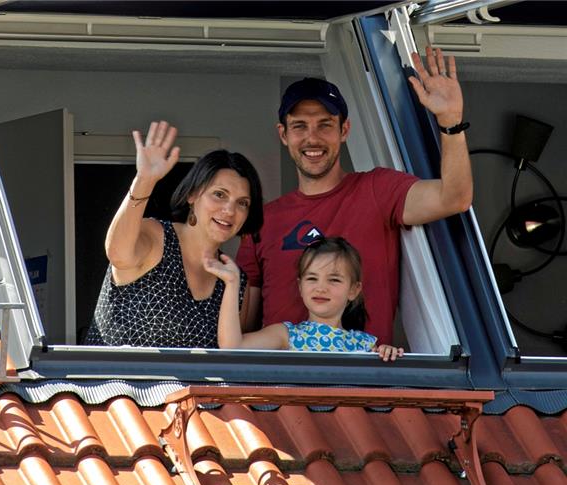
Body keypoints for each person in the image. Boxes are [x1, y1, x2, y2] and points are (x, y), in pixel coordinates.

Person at [237, 47, 473, 345]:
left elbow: (454, 197)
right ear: (283, 135)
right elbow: (241, 331)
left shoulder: (377, 190)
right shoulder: (261, 220)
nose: (312, 138)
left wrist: (451, 122)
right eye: (300, 126)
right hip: (283, 384)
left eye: (325, 125)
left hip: (362, 382)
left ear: (344, 130)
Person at [85, 121, 263, 348]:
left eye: (242, 203)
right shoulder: (156, 235)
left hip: (188, 386)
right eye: (219, 194)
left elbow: (233, 360)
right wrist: (145, 180)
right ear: (192, 195)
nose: (229, 210)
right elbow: (117, 254)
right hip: (111, 382)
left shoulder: (235, 282)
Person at [206, 237, 403, 361]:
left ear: (354, 290)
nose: (321, 287)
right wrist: (232, 284)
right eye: (312, 278)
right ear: (300, 286)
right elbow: (233, 346)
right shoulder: (286, 334)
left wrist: (387, 353)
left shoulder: (365, 345)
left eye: (334, 279)